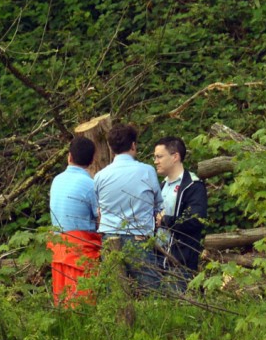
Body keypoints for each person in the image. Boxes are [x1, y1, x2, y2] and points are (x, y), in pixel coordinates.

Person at [94, 123, 163, 292]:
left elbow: (97, 210)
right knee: (152, 292)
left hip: (109, 237)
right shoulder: (147, 171)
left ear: (111, 148)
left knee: (116, 293)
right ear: (133, 145)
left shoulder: (100, 176)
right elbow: (158, 204)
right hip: (139, 237)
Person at [48, 136, 103, 304]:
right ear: (93, 160)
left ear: (69, 156)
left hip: (58, 246)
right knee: (83, 301)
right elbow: (101, 219)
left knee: (63, 298)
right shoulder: (90, 184)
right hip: (80, 248)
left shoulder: (56, 180)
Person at [153, 136, 208, 293]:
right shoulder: (162, 185)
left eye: (159, 156)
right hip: (159, 258)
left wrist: (165, 220)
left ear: (175, 156)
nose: (155, 161)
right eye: (155, 157)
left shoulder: (193, 185)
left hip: (181, 261)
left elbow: (195, 221)